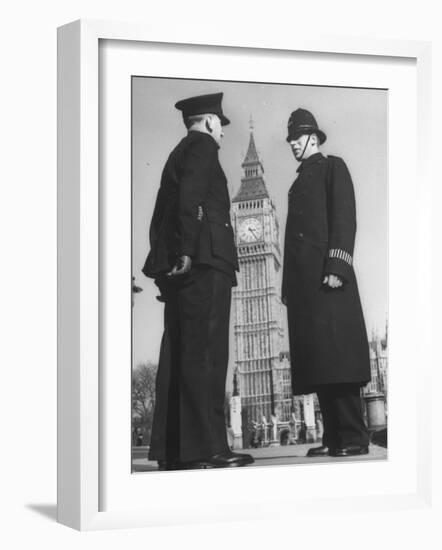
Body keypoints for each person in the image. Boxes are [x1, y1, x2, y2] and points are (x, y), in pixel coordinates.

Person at [142, 92, 254, 470]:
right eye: (220, 124)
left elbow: (161, 217)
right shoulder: (204, 146)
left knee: (179, 356)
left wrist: (167, 266)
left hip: (183, 268)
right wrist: (190, 250)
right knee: (206, 356)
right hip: (205, 263)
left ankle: (174, 451)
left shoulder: (177, 153)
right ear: (208, 121)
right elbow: (191, 199)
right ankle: (208, 448)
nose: (221, 132)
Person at [282, 108, 371, 458]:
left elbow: (344, 216)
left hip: (329, 279)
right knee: (321, 363)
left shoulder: (334, 166)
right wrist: (289, 287)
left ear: (314, 139)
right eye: (289, 139)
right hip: (306, 288)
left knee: (339, 359)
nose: (292, 144)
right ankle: (333, 436)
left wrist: (337, 264)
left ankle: (353, 436)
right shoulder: (297, 182)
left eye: (297, 138)